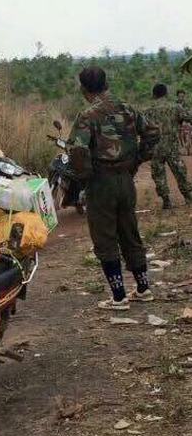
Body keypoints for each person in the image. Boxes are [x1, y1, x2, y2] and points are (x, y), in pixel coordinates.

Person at [68, 67, 160, 311]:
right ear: (106, 83)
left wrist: (85, 178)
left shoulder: (87, 115)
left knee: (105, 238)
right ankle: (143, 288)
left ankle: (119, 297)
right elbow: (153, 131)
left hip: (101, 183)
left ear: (84, 88)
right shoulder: (127, 108)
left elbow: (78, 151)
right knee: (130, 233)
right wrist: (138, 159)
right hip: (126, 180)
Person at [143, 83, 192, 208]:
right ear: (166, 93)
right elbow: (189, 117)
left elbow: (143, 129)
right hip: (172, 146)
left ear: (154, 95)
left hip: (156, 148)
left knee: (158, 174)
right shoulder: (176, 107)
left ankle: (166, 201)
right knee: (180, 171)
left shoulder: (148, 110)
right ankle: (188, 197)